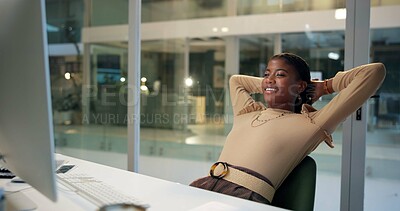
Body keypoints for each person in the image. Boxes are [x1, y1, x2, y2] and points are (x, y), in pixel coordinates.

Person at [189, 52, 386, 204]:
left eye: (280, 74)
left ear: (300, 86)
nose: (269, 79)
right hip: (205, 187)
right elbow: (236, 81)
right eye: (267, 74)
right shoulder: (246, 112)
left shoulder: (312, 123)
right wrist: (274, 84)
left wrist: (325, 86)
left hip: (245, 200)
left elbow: (375, 72)